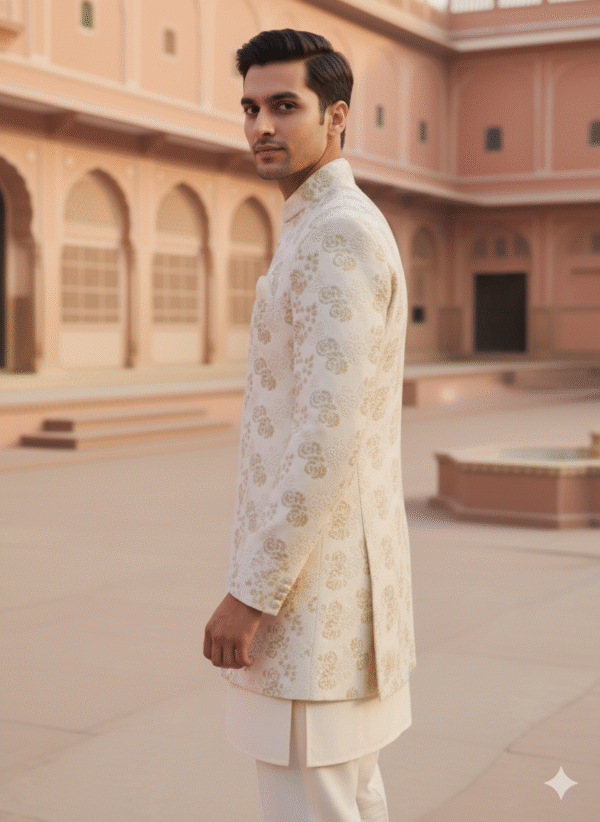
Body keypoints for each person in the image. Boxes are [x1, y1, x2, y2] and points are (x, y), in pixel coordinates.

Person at [203, 29, 416, 822]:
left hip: (311, 602)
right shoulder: (316, 226)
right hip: (326, 595)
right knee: (349, 802)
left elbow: (328, 435)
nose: (261, 124)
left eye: (284, 105)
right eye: (251, 107)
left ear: (337, 119)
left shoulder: (336, 236)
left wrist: (249, 595)